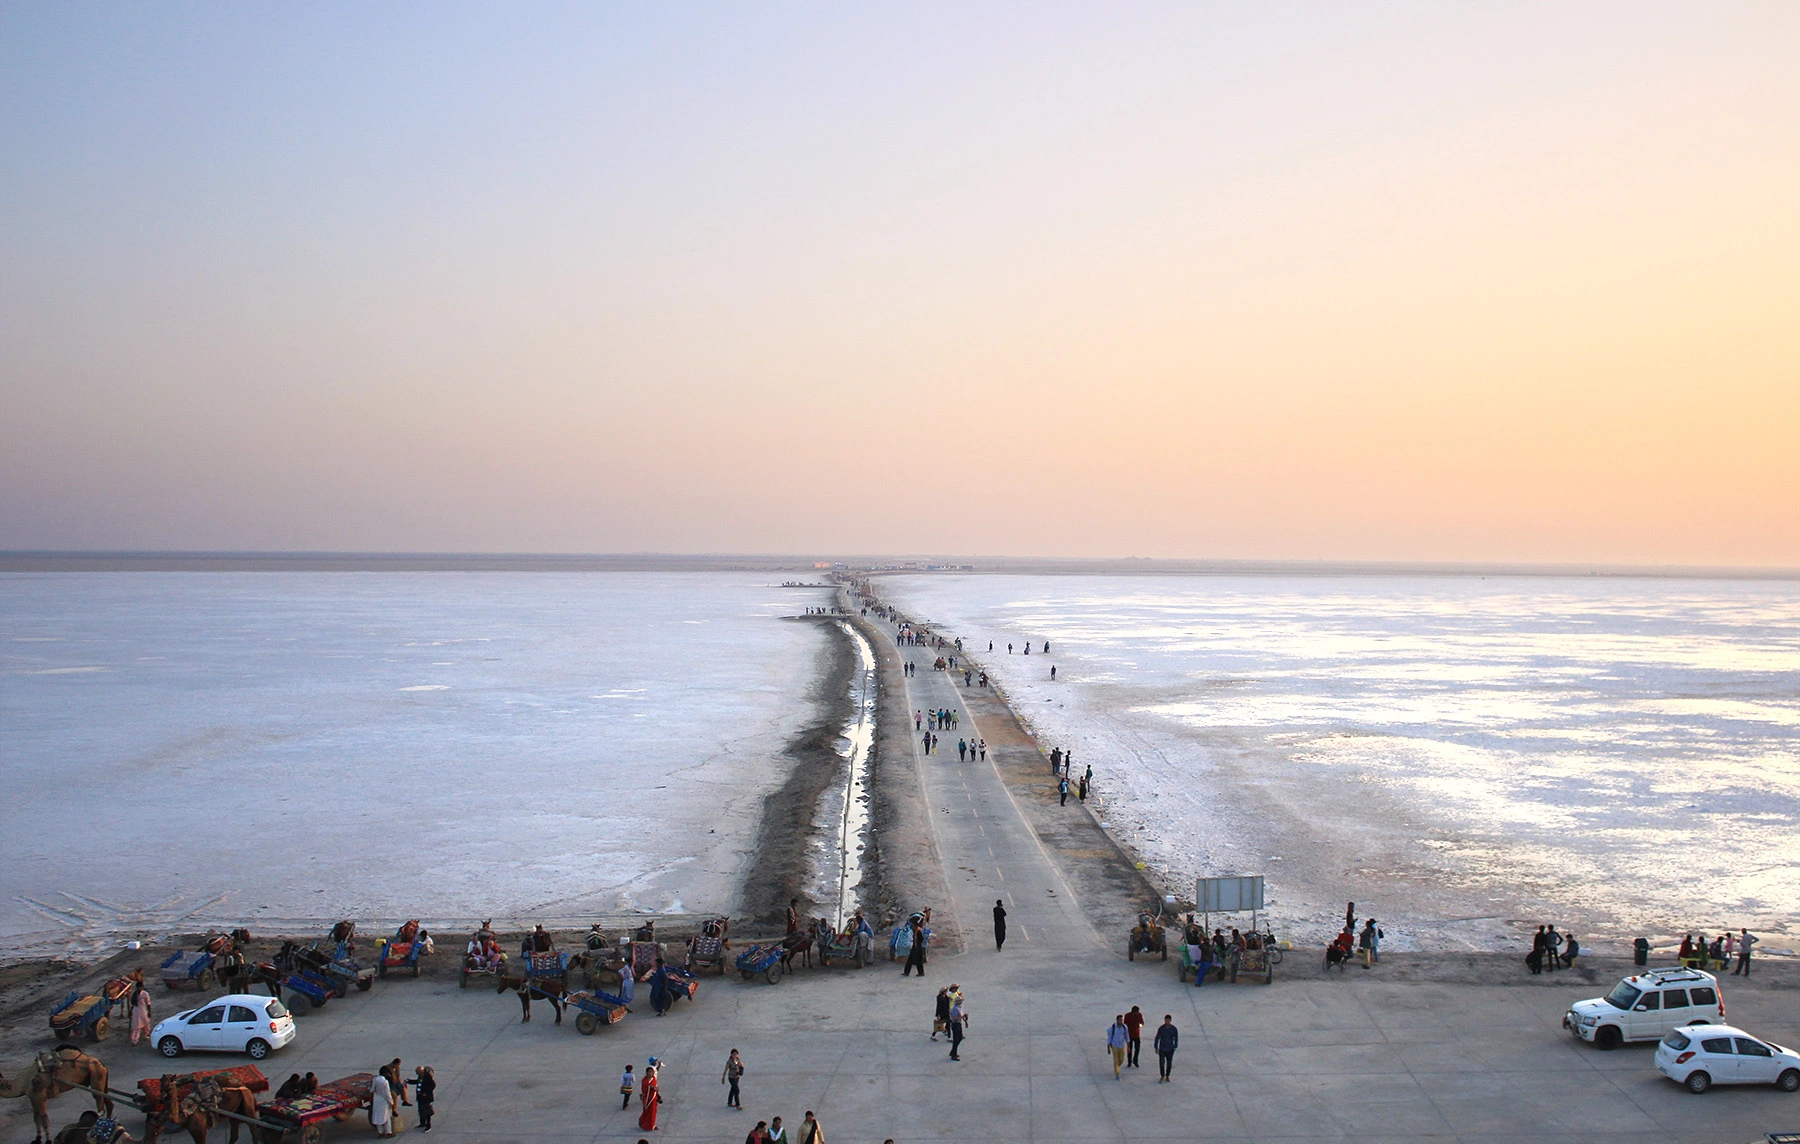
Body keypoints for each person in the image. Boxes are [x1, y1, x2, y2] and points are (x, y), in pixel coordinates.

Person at [1153, 1015, 1178, 1082]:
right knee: (1161, 1062)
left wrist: (1175, 1046)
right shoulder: (1161, 1029)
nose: (1167, 1022)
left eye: (1168, 1021)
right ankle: (1162, 1075)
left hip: (1170, 1048)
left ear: (1170, 1021)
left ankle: (1167, 1075)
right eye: (1166, 1021)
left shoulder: (1174, 1029)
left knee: (1169, 1063)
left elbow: (1176, 1038)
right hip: (1162, 1048)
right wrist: (1156, 1046)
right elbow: (1157, 1037)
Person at [638, 1061, 661, 1131]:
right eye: (648, 1072)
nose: (650, 1073)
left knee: (653, 1112)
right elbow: (643, 1088)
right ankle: (643, 1122)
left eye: (651, 1072)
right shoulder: (644, 1080)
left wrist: (656, 1089)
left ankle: (652, 1125)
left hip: (653, 1099)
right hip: (647, 1099)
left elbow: (657, 1088)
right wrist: (649, 1087)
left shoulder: (654, 1079)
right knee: (646, 1111)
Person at [410, 1066, 435, 1133]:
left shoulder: (427, 1076)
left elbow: (433, 1085)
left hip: (426, 1098)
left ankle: (428, 1125)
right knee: (421, 1110)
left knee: (427, 1111)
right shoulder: (421, 1076)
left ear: (422, 1071)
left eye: (418, 1073)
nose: (417, 1074)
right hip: (420, 1097)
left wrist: (426, 1092)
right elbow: (418, 1082)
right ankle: (422, 1123)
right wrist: (409, 1081)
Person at [370, 1070, 394, 1137]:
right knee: (386, 1117)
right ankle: (388, 1132)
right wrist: (391, 1102)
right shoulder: (385, 1082)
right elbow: (387, 1094)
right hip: (384, 1101)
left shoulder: (375, 1079)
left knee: (378, 1116)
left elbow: (372, 1090)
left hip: (377, 1100)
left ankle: (380, 1132)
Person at [947, 989, 968, 1061]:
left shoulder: (959, 1007)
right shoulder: (955, 1009)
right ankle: (953, 1054)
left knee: (960, 1037)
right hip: (955, 1024)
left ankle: (953, 1051)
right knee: (956, 1039)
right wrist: (961, 1017)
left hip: (958, 1023)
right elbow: (954, 1017)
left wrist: (964, 1019)